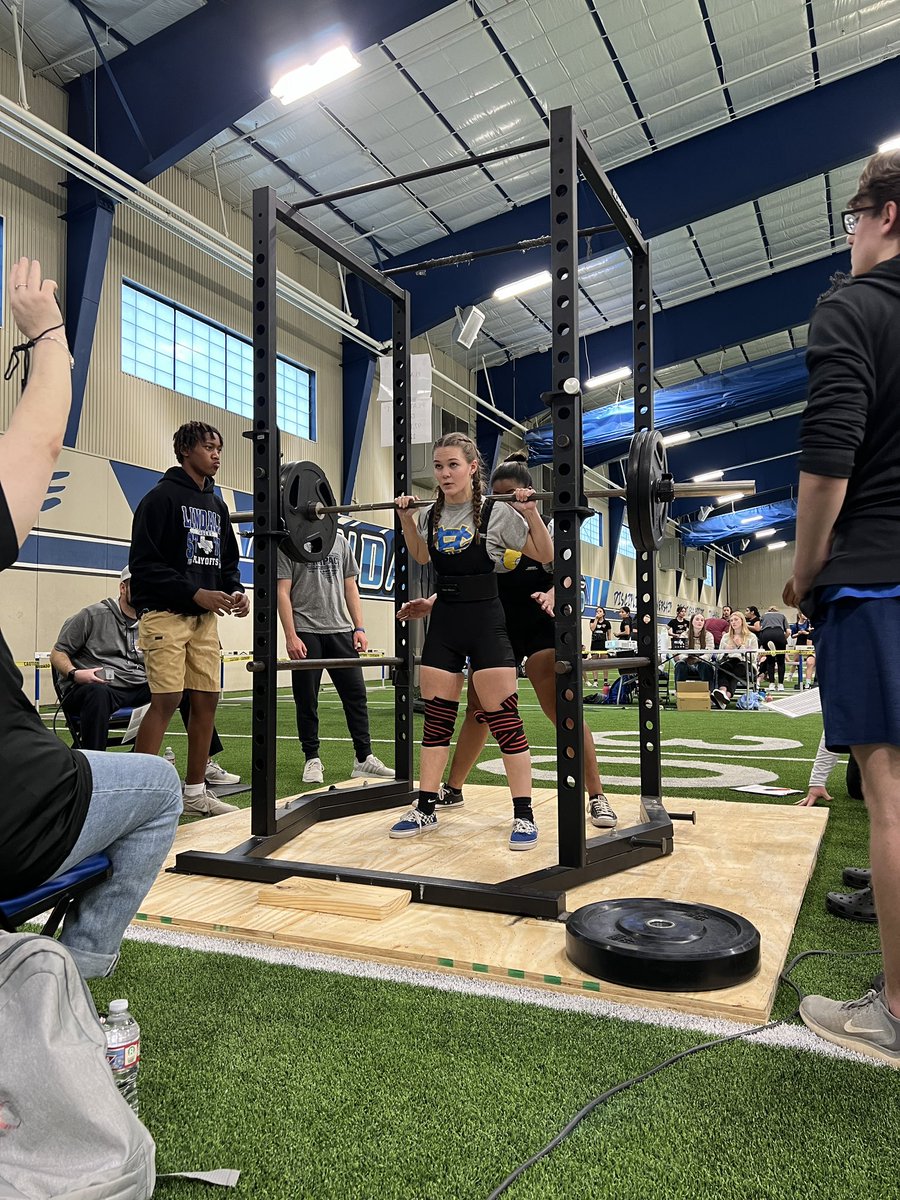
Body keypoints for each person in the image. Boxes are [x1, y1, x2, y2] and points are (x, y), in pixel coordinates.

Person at [0, 257, 181, 978]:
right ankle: (73, 976)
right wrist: (48, 336)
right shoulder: (88, 614)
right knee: (157, 786)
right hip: (18, 818)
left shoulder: (141, 619)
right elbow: (39, 443)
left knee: (156, 695)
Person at [783, 149, 900, 1065]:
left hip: (878, 574)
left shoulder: (853, 308)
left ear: (886, 216)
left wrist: (804, 568)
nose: (849, 237)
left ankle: (895, 1010)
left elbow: (830, 455)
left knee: (892, 795)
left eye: (853, 218)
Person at [397, 454, 617, 830]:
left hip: (538, 624)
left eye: (508, 497)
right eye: (494, 497)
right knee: (478, 710)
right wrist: (432, 602)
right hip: (494, 621)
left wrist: (552, 593)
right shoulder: (477, 518)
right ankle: (452, 788)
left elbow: (570, 576)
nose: (500, 505)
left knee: (559, 707)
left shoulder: (537, 526)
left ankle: (596, 795)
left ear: (523, 494)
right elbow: (471, 578)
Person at [390, 433, 552, 850]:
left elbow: (545, 553)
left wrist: (531, 513)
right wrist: (407, 519)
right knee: (438, 720)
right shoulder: (431, 512)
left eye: (453, 465)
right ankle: (425, 805)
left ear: (472, 467)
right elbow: (423, 557)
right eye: (439, 466)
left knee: (504, 720)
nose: (444, 474)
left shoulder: (497, 513)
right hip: (445, 623)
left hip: (486, 622)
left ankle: (523, 814)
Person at [130, 421, 249, 816]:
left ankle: (195, 792)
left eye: (219, 448)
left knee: (206, 700)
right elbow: (144, 566)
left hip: (204, 621)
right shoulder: (159, 499)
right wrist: (194, 592)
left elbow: (228, 560)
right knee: (166, 699)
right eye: (209, 447)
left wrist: (235, 590)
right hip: (165, 617)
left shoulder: (217, 505)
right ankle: (138, 797)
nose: (216, 455)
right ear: (185, 451)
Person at [50, 566, 238, 784]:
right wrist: (75, 673)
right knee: (97, 694)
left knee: (187, 690)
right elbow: (58, 652)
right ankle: (95, 771)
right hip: (97, 686)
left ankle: (204, 764)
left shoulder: (152, 620)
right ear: (123, 588)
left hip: (138, 685)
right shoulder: (92, 615)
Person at [276, 528, 394, 784]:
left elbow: (350, 586)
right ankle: (312, 758)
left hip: (341, 630)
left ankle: (364, 758)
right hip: (306, 630)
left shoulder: (339, 542)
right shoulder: (288, 544)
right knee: (306, 699)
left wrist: (359, 627)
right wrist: (290, 635)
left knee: (357, 696)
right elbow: (282, 591)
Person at [711, 610, 758, 708]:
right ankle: (723, 692)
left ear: (742, 621)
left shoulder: (751, 637)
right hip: (729, 660)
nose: (733, 622)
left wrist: (740, 646)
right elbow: (719, 656)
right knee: (724, 667)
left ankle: (726, 696)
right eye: (731, 620)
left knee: (739, 668)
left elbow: (754, 657)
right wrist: (726, 651)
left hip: (746, 663)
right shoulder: (725, 637)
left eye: (736, 619)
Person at [674, 611, 715, 691]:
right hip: (687, 663)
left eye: (702, 620)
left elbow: (709, 653)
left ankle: (708, 693)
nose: (700, 622)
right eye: (697, 619)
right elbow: (681, 652)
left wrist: (698, 659)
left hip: (701, 663)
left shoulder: (709, 635)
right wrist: (686, 658)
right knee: (680, 665)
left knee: (705, 665)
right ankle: (679, 692)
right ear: (691, 622)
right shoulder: (684, 635)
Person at [758, 606, 789, 690]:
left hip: (767, 634)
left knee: (770, 660)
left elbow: (759, 628)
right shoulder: (782, 616)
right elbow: (788, 631)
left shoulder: (764, 616)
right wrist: (783, 639)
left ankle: (771, 684)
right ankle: (780, 685)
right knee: (781, 661)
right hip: (779, 633)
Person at [791, 610, 816, 688]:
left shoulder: (808, 624)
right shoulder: (795, 625)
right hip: (801, 644)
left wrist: (806, 633)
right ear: (799, 615)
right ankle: (806, 682)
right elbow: (792, 635)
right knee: (797, 660)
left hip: (821, 650)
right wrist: (798, 634)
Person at [587, 609, 612, 689]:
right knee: (595, 662)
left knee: (604, 662)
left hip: (603, 644)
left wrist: (609, 645)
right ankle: (595, 681)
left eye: (600, 611)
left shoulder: (607, 623)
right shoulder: (592, 620)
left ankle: (605, 681)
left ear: (604, 613)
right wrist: (596, 619)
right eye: (597, 611)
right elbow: (592, 629)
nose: (598, 612)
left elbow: (609, 635)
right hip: (595, 644)